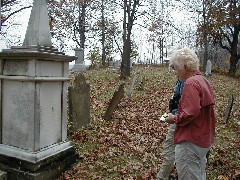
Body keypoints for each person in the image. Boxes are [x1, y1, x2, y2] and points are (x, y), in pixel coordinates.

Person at [165, 47, 216, 180]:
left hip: (190, 141)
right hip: (203, 139)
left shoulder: (190, 83)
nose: (175, 72)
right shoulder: (203, 80)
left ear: (185, 67)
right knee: (199, 174)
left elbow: (190, 113)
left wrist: (174, 118)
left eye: (176, 68)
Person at [156, 79, 184, 180]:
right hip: (176, 115)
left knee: (169, 149)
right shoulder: (181, 80)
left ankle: (162, 177)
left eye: (174, 67)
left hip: (179, 119)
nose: (174, 71)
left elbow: (186, 107)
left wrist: (174, 117)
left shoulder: (187, 82)